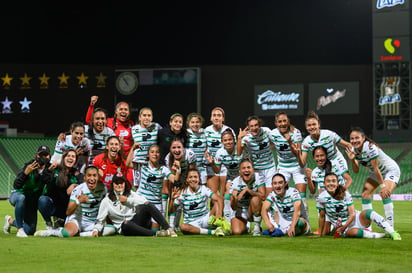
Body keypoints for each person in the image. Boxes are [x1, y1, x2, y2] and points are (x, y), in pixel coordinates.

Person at [316, 172, 401, 240]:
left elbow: (352, 214)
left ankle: (393, 233)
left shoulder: (345, 194)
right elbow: (322, 216)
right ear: (324, 183)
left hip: (356, 219)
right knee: (354, 233)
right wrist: (320, 233)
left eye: (333, 181)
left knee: (368, 212)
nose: (331, 183)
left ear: (338, 183)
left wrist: (343, 227)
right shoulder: (321, 198)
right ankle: (382, 235)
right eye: (328, 181)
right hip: (347, 229)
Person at [345, 126, 400, 228]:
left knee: (385, 193)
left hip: (390, 170)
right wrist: (352, 160)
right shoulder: (352, 150)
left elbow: (376, 168)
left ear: (363, 138)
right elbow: (356, 171)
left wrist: (383, 186)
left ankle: (390, 227)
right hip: (375, 172)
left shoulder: (370, 148)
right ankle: (367, 227)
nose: (354, 140)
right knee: (365, 195)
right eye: (352, 138)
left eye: (357, 138)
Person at [91, 173, 177, 237]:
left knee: (147, 205)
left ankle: (168, 228)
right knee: (126, 224)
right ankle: (157, 234)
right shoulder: (106, 200)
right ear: (113, 184)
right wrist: (96, 230)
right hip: (124, 228)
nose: (119, 185)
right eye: (117, 183)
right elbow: (100, 219)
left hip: (137, 221)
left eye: (121, 183)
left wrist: (128, 200)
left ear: (125, 183)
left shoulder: (130, 194)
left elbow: (144, 201)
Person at [34, 166, 108, 237]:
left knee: (111, 229)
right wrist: (79, 201)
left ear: (98, 177)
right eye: (89, 176)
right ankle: (49, 232)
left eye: (94, 176)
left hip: (92, 223)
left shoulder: (103, 188)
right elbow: (68, 212)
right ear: (84, 177)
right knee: (66, 234)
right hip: (77, 221)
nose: (92, 178)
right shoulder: (78, 190)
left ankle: (81, 234)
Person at [4, 145, 54, 237]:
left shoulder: (50, 168)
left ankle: (10, 221)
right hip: (18, 195)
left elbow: (46, 180)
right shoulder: (29, 165)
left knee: (30, 230)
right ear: (36, 156)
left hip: (31, 201)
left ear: (49, 156)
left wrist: (49, 170)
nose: (43, 157)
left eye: (46, 155)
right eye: (41, 155)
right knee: (21, 198)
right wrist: (25, 173)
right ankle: (20, 230)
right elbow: (16, 185)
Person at [126, 144, 178, 229]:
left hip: (156, 203)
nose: (155, 154)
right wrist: (133, 149)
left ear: (160, 155)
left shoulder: (163, 169)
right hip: (142, 201)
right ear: (148, 155)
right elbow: (128, 164)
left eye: (157, 152)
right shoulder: (143, 166)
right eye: (152, 152)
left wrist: (177, 170)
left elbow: (174, 180)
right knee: (140, 225)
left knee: (155, 230)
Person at [270, 111, 309, 221]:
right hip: (283, 167)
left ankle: (306, 224)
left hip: (298, 167)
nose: (282, 124)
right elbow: (267, 144)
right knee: (279, 194)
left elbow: (297, 154)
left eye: (284, 121)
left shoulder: (296, 133)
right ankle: (279, 223)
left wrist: (290, 142)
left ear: (288, 122)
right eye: (280, 121)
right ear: (276, 123)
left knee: (302, 197)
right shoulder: (272, 134)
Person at [168, 168, 230, 236]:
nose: (193, 179)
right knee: (183, 227)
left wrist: (219, 216)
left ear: (199, 179)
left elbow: (219, 199)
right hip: (191, 223)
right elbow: (171, 211)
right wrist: (172, 200)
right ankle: (212, 232)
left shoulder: (203, 188)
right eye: (190, 177)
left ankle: (219, 223)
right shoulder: (182, 193)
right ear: (187, 180)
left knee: (217, 200)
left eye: (195, 177)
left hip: (206, 219)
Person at [38, 149, 82, 230]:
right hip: (53, 205)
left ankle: (60, 220)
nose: (70, 158)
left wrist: (75, 185)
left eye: (73, 156)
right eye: (68, 156)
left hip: (67, 208)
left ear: (75, 160)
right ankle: (48, 223)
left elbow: (83, 186)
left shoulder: (77, 174)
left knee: (66, 230)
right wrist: (49, 170)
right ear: (63, 158)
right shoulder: (55, 170)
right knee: (42, 200)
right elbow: (44, 180)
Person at [206, 128, 243, 221]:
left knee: (243, 197)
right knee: (227, 195)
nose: (228, 142)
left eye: (230, 139)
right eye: (225, 140)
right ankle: (228, 221)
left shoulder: (240, 148)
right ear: (222, 142)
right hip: (231, 176)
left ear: (234, 140)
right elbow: (217, 171)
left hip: (244, 177)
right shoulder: (220, 153)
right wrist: (212, 163)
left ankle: (248, 223)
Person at [237, 115, 276, 196]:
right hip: (257, 170)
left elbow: (274, 142)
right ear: (248, 127)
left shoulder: (266, 131)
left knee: (270, 195)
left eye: (256, 125)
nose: (254, 128)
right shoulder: (246, 137)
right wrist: (239, 138)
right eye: (251, 126)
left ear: (259, 125)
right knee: (259, 196)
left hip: (270, 168)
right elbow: (238, 153)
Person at [261, 173, 311, 237]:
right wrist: (268, 223)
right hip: (284, 222)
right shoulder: (272, 194)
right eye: (275, 183)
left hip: (297, 221)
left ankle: (280, 231)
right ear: (272, 185)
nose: (277, 186)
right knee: (268, 207)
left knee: (300, 222)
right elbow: (263, 209)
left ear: (285, 183)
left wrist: (292, 226)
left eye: (280, 183)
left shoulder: (293, 193)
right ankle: (277, 229)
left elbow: (297, 211)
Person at [164, 138, 197, 229]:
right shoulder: (168, 158)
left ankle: (191, 222)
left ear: (183, 148)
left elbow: (192, 173)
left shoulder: (190, 155)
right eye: (174, 147)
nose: (177, 150)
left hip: (188, 177)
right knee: (174, 198)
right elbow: (173, 179)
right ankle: (172, 224)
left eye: (179, 147)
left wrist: (187, 187)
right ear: (170, 149)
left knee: (187, 199)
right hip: (176, 177)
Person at [205, 107, 235, 197]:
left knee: (225, 194)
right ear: (211, 118)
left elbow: (234, 148)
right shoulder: (206, 130)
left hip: (225, 166)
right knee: (214, 195)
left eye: (219, 115)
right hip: (211, 166)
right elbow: (204, 146)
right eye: (214, 115)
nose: (216, 118)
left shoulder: (229, 130)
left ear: (223, 118)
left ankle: (226, 211)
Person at [230, 158, 266, 236]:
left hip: (253, 208)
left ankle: (257, 227)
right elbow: (234, 208)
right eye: (244, 168)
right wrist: (234, 199)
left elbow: (263, 197)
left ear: (253, 169)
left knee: (256, 199)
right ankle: (245, 226)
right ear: (239, 171)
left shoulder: (258, 177)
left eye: (249, 167)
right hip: (240, 210)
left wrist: (249, 191)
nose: (246, 170)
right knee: (236, 232)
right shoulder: (234, 183)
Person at [186, 112, 208, 185]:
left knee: (202, 189)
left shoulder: (205, 132)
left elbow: (209, 144)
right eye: (192, 122)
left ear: (201, 123)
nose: (195, 124)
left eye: (197, 122)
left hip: (202, 167)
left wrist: (206, 151)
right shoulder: (186, 133)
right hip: (189, 167)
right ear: (188, 123)